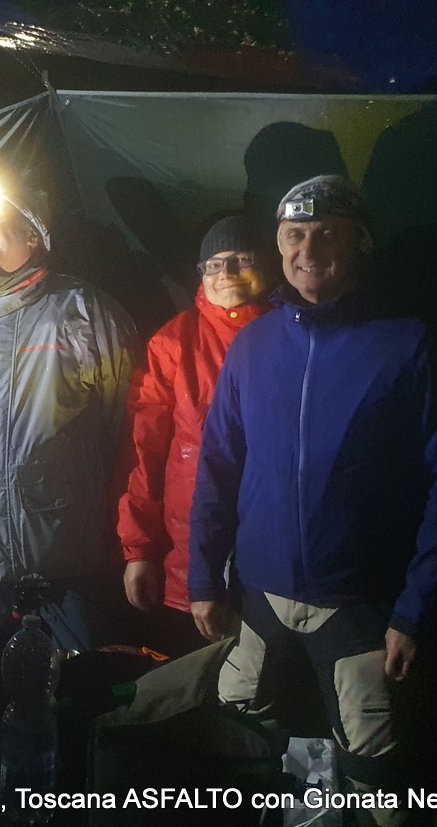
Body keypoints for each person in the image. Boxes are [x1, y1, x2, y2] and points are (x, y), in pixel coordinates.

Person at [189, 175, 437, 827]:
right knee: (243, 739)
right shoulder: (253, 345)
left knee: (376, 778)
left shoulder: (407, 343)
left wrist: (416, 608)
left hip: (361, 603)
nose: (307, 250)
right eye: (294, 234)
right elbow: (218, 465)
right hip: (259, 595)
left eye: (326, 234)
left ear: (359, 243)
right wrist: (202, 577)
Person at [0, 182, 137, 656]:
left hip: (60, 554)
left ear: (33, 237)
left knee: (77, 686)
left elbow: (127, 426)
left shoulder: (84, 311)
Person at [117, 216, 271, 657]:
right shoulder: (173, 342)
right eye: (214, 264)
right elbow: (144, 451)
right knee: (195, 676)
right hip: (188, 554)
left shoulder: (291, 334)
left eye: (242, 259)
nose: (227, 273)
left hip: (273, 551)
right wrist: (139, 549)